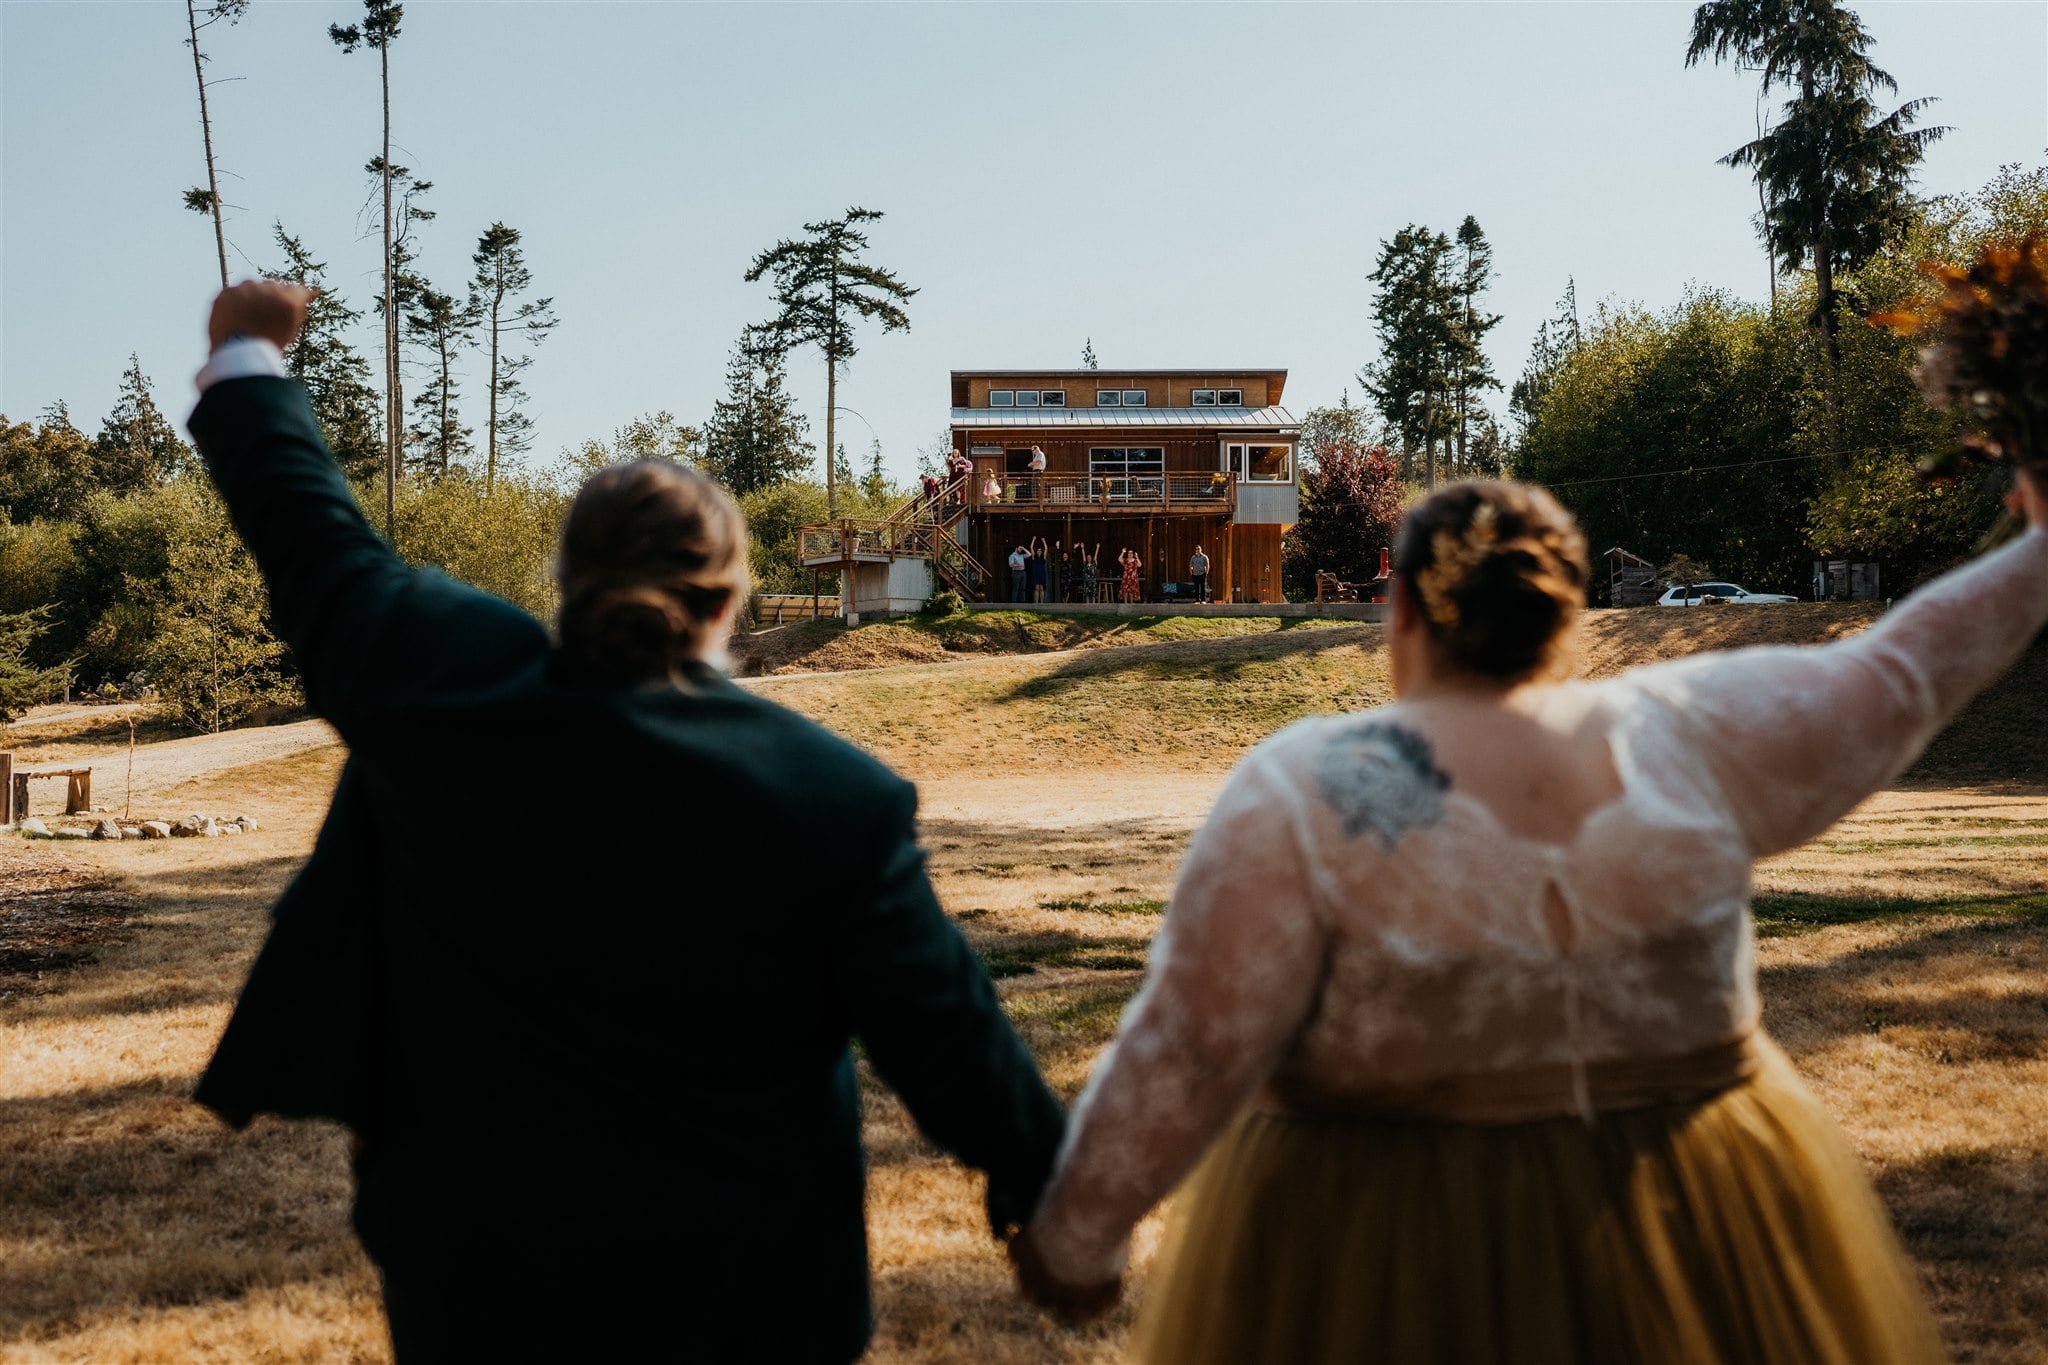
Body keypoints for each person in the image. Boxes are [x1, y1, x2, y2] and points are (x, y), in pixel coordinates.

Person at [183, 282, 1067, 1363]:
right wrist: (1051, 1202)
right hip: (755, 1303)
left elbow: (304, 521)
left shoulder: (432, 687)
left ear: (566, 580)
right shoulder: (834, 795)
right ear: (730, 597)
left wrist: (246, 353)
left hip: (480, 1291)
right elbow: (949, 1041)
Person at [1011, 474, 2048, 1362]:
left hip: (1377, 1253)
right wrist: (2039, 547)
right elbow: (1901, 669)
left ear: (1401, 614)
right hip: (1694, 1225)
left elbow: (1191, 1044)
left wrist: (1076, 1240)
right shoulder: (1686, 732)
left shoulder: (1301, 783)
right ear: (1564, 613)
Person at [1028, 535, 1051, 604]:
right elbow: (1031, 547)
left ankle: (1041, 603)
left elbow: (1046, 549)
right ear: (1036, 551)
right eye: (1038, 550)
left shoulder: (1043, 557)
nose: (1039, 551)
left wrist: (1044, 541)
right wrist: (1033, 540)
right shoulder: (1034, 557)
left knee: (1042, 588)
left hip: (1042, 574)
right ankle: (1037, 602)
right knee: (1036, 588)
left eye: (1040, 550)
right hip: (1036, 573)